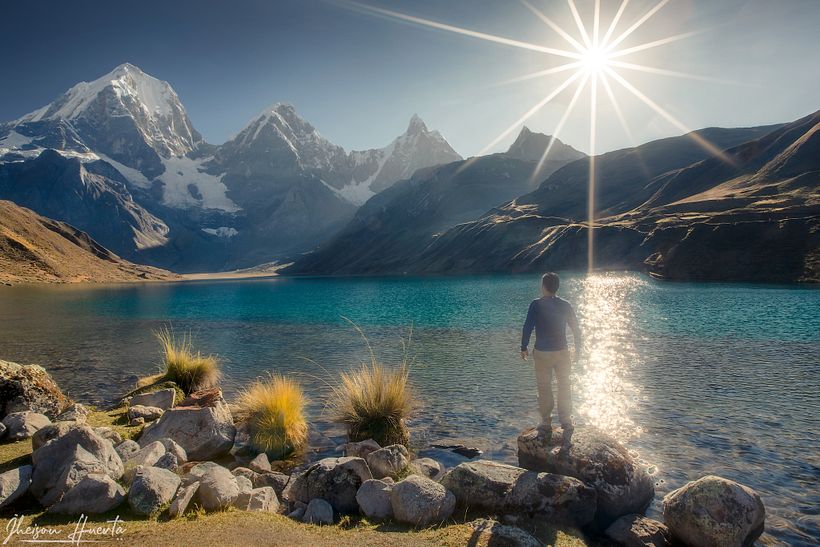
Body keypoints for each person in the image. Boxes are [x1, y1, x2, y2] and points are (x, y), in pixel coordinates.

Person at [520, 272, 582, 438]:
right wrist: (578, 349)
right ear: (557, 287)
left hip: (542, 353)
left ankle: (546, 421)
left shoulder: (536, 304)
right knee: (564, 385)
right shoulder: (566, 305)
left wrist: (523, 346)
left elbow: (528, 327)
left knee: (544, 386)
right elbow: (576, 329)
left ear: (543, 286)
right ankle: (566, 420)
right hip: (562, 352)